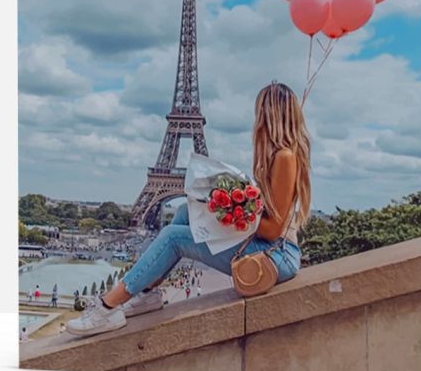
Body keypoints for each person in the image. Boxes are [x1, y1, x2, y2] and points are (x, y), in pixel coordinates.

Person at [66, 82, 310, 337]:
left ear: (270, 115)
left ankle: (107, 307)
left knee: (173, 237)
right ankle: (148, 294)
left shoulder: (285, 157)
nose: (256, 119)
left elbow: (272, 231)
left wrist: (232, 212)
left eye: (260, 111)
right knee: (185, 211)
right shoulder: (276, 156)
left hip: (277, 256)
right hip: (269, 250)